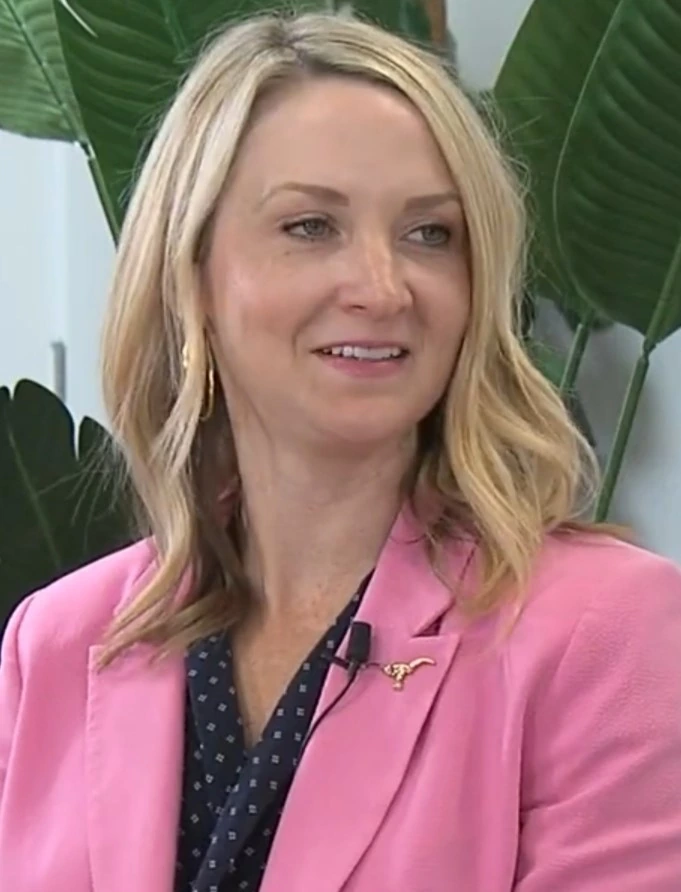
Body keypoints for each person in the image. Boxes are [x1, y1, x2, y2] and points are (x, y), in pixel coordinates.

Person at [1, 10, 680, 892]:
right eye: (310, 227)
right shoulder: (56, 642)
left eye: (429, 234)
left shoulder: (605, 629)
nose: (381, 286)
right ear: (193, 273)